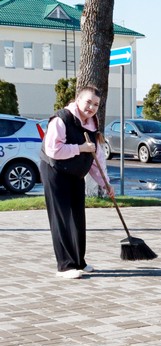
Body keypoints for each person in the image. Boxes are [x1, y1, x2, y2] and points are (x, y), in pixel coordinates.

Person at [40, 86, 114, 279]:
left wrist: (105, 183)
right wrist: (80, 148)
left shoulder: (92, 125)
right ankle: (65, 266)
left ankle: (79, 261)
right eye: (88, 102)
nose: (91, 107)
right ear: (78, 100)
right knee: (62, 217)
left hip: (75, 173)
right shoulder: (61, 119)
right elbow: (53, 150)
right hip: (55, 171)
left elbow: (97, 160)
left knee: (77, 218)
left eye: (96, 104)